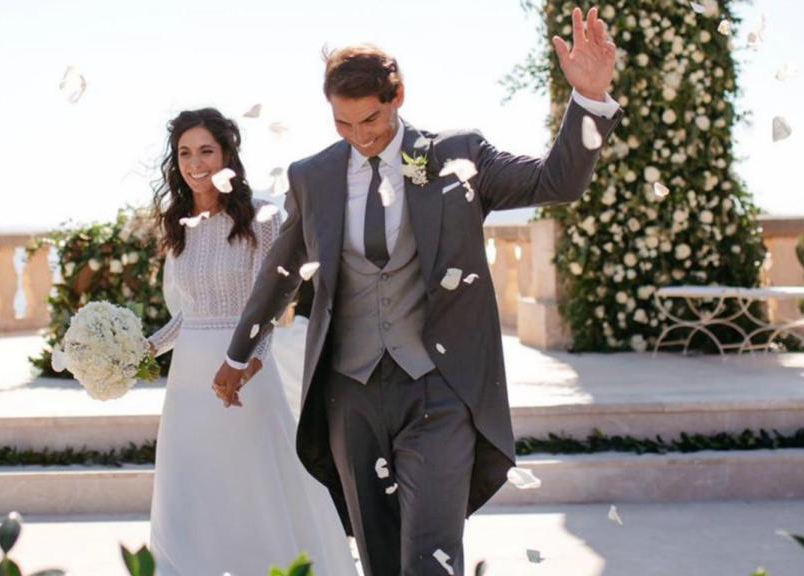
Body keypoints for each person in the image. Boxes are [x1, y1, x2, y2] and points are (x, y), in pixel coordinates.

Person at [214, 7, 622, 575]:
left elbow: (556, 180)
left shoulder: (458, 154)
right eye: (344, 124)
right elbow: (282, 270)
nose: (361, 137)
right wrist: (239, 352)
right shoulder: (313, 176)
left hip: (438, 389)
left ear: (398, 94)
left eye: (372, 120)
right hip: (348, 395)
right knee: (380, 559)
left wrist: (589, 99)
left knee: (430, 554)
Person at [145, 108, 356, 575]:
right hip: (187, 382)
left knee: (254, 486)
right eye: (184, 152)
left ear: (227, 155)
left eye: (206, 150)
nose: (195, 162)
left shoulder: (261, 217)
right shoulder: (177, 223)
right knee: (189, 488)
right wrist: (143, 352)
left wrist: (248, 362)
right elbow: (192, 313)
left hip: (243, 370)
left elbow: (272, 300)